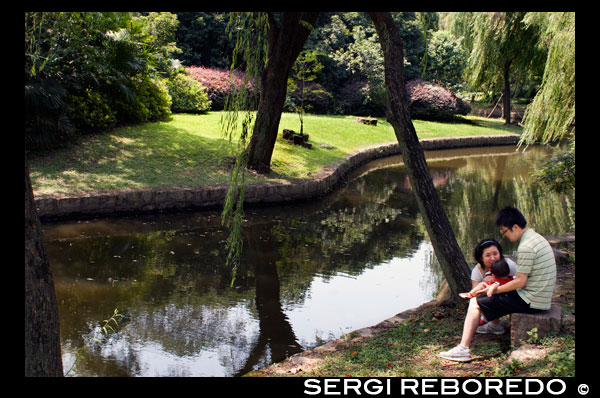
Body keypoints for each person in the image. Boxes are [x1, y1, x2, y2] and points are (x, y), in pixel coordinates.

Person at [439, 206, 556, 362]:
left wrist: (495, 290)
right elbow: (520, 281)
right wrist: (494, 288)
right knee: (488, 296)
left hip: (531, 301)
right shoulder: (536, 238)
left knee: (475, 302)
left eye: (504, 231)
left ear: (515, 227)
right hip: (539, 297)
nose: (504, 235)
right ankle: (494, 326)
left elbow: (520, 282)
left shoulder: (526, 247)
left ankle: (463, 349)